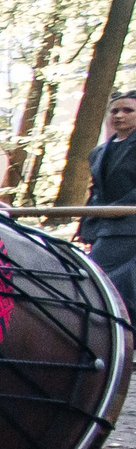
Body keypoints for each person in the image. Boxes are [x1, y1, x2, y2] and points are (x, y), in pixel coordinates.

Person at [82, 91, 136, 311]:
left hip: (128, 227)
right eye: (115, 110)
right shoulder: (99, 152)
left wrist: (114, 210)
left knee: (97, 279)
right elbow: (96, 190)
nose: (119, 115)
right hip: (103, 227)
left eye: (128, 110)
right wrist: (87, 224)